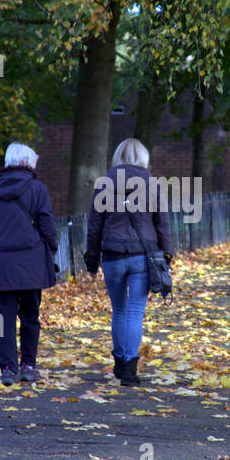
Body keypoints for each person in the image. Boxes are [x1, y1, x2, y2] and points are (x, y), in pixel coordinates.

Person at [83, 137, 174, 386]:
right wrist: (167, 256)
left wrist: (92, 260)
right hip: (142, 257)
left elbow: (94, 226)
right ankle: (130, 370)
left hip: (112, 256)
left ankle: (120, 363)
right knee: (135, 312)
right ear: (142, 158)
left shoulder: (105, 183)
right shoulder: (152, 184)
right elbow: (162, 224)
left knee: (119, 310)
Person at [0, 143, 58, 385]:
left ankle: (7, 368)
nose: (35, 167)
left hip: (2, 264)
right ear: (25, 163)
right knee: (31, 316)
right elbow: (47, 225)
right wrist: (50, 248)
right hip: (31, 263)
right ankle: (28, 365)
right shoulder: (38, 189)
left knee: (3, 319)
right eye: (33, 163)